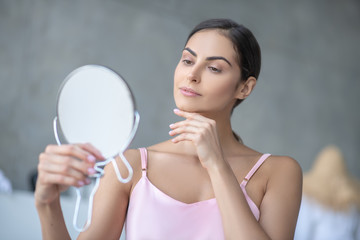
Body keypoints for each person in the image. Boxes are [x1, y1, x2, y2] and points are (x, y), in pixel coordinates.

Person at [35, 18, 303, 239]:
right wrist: (47, 204)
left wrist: (217, 165)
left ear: (245, 88)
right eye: (187, 60)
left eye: (213, 67)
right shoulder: (129, 168)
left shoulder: (278, 172)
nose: (192, 75)